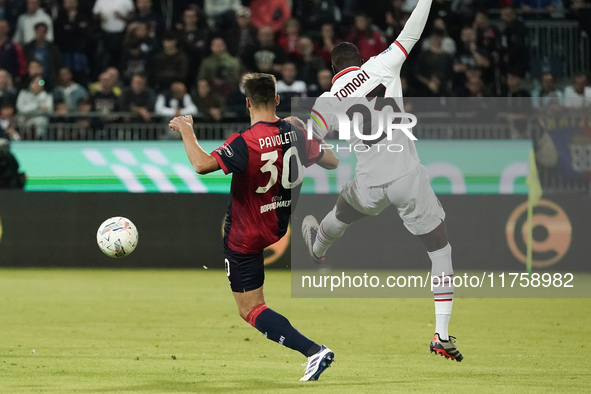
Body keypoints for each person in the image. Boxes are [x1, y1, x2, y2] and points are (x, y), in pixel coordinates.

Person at [303, 0, 464, 362]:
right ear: (358, 60)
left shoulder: (326, 100)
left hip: (369, 183)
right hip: (406, 175)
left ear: (332, 69)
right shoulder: (383, 64)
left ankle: (317, 249)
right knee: (440, 250)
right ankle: (440, 332)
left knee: (342, 210)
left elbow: (310, 141)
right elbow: (413, 30)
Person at [168, 72, 338, 381]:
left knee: (250, 309)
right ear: (276, 99)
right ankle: (313, 353)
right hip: (276, 226)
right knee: (254, 304)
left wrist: (186, 131)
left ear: (247, 102)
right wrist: (306, 132)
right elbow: (332, 161)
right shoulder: (295, 133)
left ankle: (314, 352)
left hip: (244, 235)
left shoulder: (245, 142)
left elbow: (201, 165)